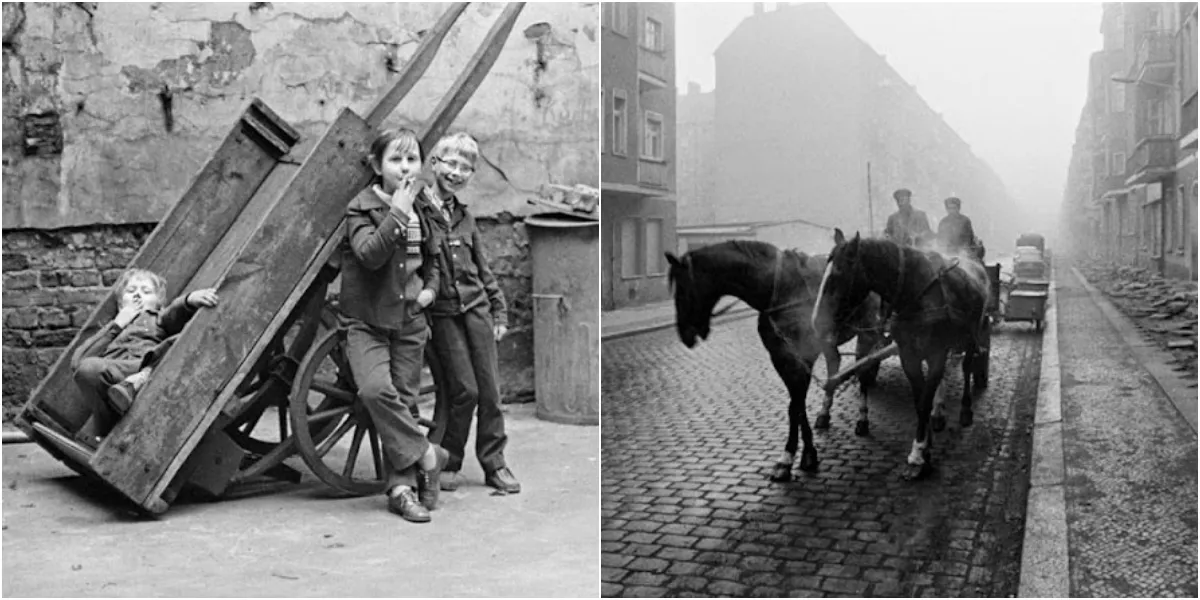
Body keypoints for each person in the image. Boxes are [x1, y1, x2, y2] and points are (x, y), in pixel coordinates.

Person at [341, 127, 450, 523]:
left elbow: (435, 259)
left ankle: (401, 490)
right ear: (376, 165)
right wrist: (397, 211)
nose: (405, 168)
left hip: (410, 321)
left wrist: (430, 292)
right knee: (374, 390)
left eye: (412, 160)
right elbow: (369, 255)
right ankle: (427, 455)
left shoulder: (426, 207)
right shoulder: (362, 207)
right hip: (367, 321)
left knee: (406, 401)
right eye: (395, 160)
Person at [418, 132, 520, 495]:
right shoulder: (418, 210)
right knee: (464, 390)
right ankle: (449, 458)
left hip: (476, 309)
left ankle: (495, 463)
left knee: (491, 392)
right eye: (451, 164)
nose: (457, 172)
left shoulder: (465, 217)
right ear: (435, 164)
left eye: (465, 168)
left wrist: (499, 312)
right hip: (443, 315)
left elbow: (483, 268)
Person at [73, 269, 219, 438]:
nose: (137, 295)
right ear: (121, 304)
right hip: (117, 374)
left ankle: (141, 378)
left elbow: (174, 314)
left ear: (158, 304)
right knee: (87, 368)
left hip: (149, 367)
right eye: (131, 291)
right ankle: (119, 405)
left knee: (177, 342)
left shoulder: (156, 318)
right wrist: (118, 324)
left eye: (146, 292)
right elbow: (78, 361)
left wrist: (188, 300)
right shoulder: (113, 328)